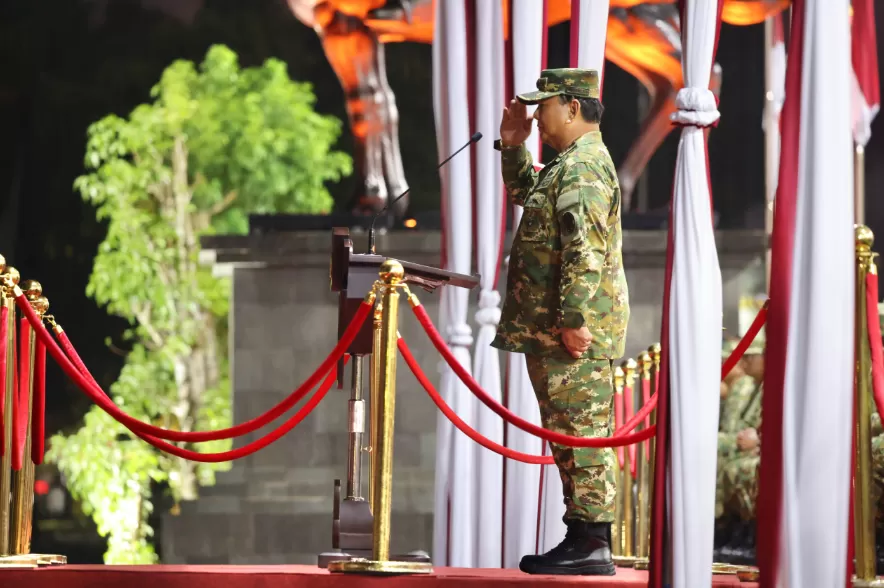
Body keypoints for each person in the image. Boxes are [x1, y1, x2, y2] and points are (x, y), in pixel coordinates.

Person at [491, 68, 629, 576]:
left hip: (573, 331)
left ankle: (593, 541)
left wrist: (573, 318)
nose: (536, 116)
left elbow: (584, 250)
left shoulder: (584, 167)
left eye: (543, 105)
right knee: (568, 435)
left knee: (582, 433)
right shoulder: (568, 163)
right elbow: (528, 195)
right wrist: (512, 146)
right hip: (554, 330)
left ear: (572, 107)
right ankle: (581, 536)